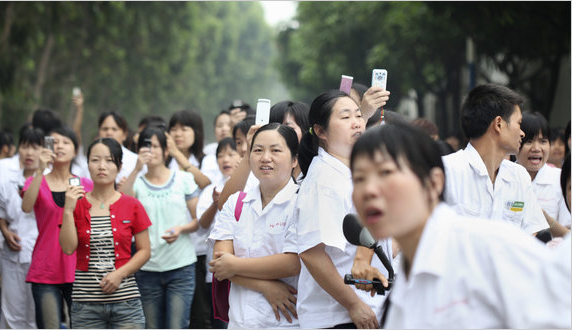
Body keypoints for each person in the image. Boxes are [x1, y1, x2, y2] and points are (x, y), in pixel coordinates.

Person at [349, 122, 569, 328]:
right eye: (359, 178)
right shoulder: (400, 302)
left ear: (434, 182)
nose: (369, 190)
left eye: (385, 172)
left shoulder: (489, 248)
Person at [295, 90, 393, 329]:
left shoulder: (351, 171)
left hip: (368, 308)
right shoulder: (324, 179)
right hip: (338, 317)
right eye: (345, 117)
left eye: (359, 115)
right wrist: (353, 305)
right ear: (320, 131)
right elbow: (311, 252)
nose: (357, 123)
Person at [208, 123, 302, 328]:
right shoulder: (236, 203)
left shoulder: (302, 203)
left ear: (294, 159)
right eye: (258, 150)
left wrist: (233, 265)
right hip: (239, 321)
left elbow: (292, 263)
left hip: (286, 322)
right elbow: (219, 264)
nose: (265, 157)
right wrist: (265, 286)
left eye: (275, 150)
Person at [59, 138, 151, 328]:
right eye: (95, 160)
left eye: (109, 160)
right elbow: (68, 248)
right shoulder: (75, 203)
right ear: (87, 165)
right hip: (85, 305)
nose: (102, 166)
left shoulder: (132, 204)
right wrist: (68, 210)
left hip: (126, 303)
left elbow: (145, 251)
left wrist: (119, 274)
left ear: (119, 166)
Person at [120, 126, 200, 329]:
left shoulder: (183, 179)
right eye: (146, 146)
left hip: (181, 268)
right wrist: (137, 169)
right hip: (147, 269)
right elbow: (122, 205)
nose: (150, 151)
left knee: (176, 326)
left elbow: (197, 220)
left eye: (156, 146)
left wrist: (180, 229)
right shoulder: (136, 183)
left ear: (166, 151)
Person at [442, 84, 548, 236]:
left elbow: (530, 234)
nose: (522, 133)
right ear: (499, 124)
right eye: (519, 123)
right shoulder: (447, 171)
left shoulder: (519, 176)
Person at [21, 126, 93, 329]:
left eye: (66, 142)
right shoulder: (36, 181)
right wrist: (39, 170)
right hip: (45, 269)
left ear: (75, 149)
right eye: (55, 142)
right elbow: (26, 207)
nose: (60, 146)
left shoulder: (86, 185)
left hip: (80, 270)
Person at [0, 127, 43, 328]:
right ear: (18, 150)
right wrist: (6, 233)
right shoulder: (8, 182)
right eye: (25, 147)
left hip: (38, 256)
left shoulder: (48, 181)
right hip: (11, 256)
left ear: (43, 150)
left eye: (34, 147)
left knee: (35, 312)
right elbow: (1, 217)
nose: (29, 153)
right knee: (10, 311)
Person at [194, 138, 242, 329]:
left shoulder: (252, 185)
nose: (225, 159)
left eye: (230, 154)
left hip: (244, 266)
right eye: (220, 155)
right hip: (215, 269)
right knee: (218, 321)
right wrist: (216, 203)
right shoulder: (210, 190)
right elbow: (202, 226)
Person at [516, 112, 570, 237]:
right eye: (529, 141)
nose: (536, 148)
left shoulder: (560, 179)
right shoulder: (504, 177)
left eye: (543, 141)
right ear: (516, 143)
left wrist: (546, 221)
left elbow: (568, 234)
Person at [167, 110, 214, 189]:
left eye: (184, 129)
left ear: (196, 133)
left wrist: (176, 154)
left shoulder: (207, 160)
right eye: (174, 129)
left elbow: (205, 184)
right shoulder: (164, 161)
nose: (178, 134)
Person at [98, 111, 140, 183]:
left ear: (124, 134)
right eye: (105, 129)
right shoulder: (91, 161)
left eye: (114, 129)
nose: (109, 133)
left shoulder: (136, 161)